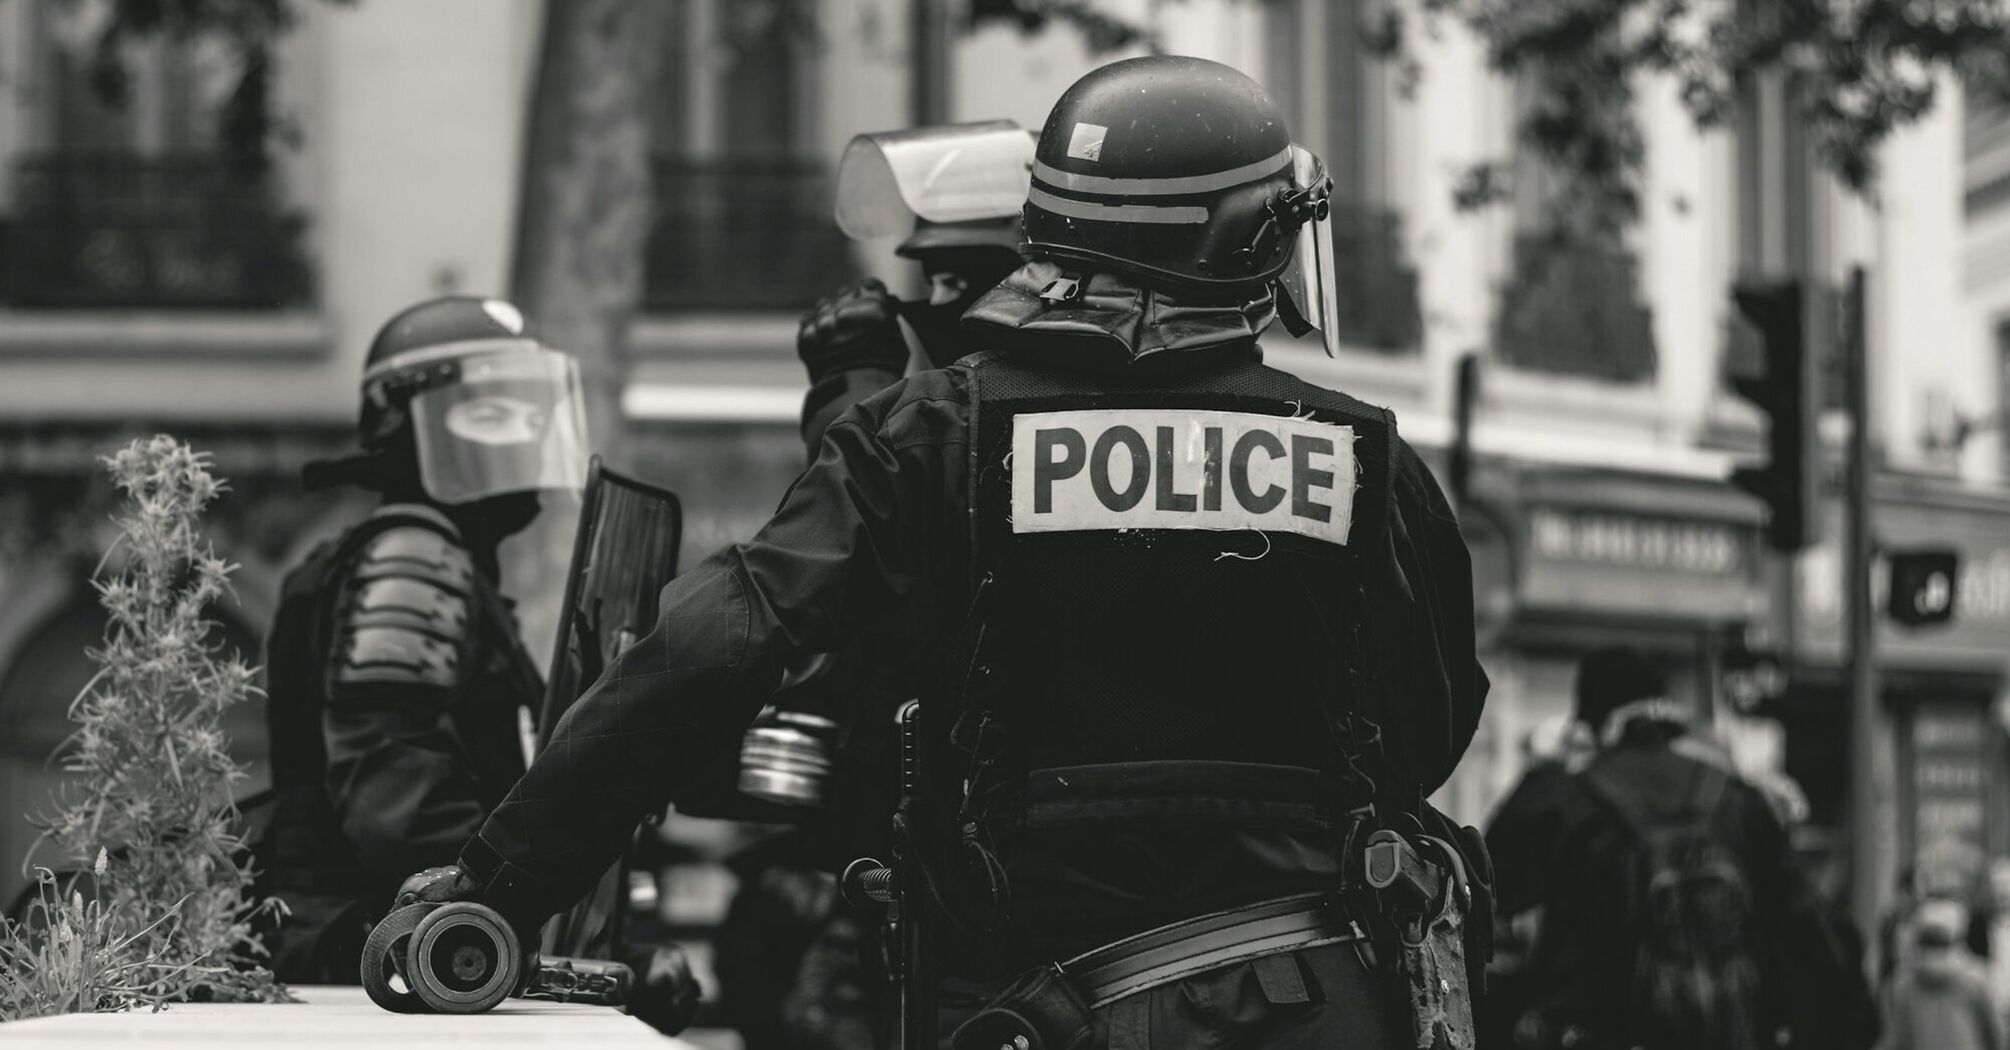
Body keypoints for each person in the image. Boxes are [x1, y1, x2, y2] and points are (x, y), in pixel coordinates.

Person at [395, 56, 1490, 1048]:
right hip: (1302, 1003)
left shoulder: (929, 435)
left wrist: (500, 879)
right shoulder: (1360, 456)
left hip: (1025, 1006)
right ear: (1249, 237)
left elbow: (708, 651)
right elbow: (1429, 731)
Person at [717, 120, 1034, 1050]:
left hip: (976, 885)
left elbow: (897, 567)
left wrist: (851, 399)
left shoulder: (1015, 423)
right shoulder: (949, 414)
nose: (924, 307)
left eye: (946, 281)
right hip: (894, 856)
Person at [254, 296, 586, 983]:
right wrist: (491, 915)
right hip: (377, 957)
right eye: (490, 413)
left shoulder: (445, 564)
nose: (522, 435)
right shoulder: (413, 559)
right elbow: (398, 797)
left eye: (532, 413)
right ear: (404, 423)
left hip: (406, 951)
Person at [1485, 645, 1878, 1050]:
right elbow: (1813, 935)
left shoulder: (1568, 800)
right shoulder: (1736, 798)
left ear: (1587, 723)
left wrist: (1545, 765)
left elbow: (1490, 892)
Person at [1877, 897, 2003, 1050]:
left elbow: (1994, 1034)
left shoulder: (1974, 981)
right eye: (1930, 940)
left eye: (1940, 940)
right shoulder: (1904, 986)